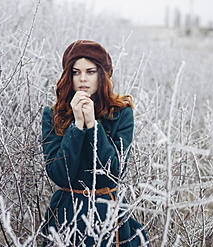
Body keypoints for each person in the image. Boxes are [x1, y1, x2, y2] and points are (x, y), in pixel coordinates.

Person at [41, 40, 147, 246]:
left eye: (90, 72)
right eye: (75, 72)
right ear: (68, 76)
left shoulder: (121, 113)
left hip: (107, 214)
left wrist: (93, 125)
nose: (82, 79)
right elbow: (60, 175)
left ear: (102, 75)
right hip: (67, 213)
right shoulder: (53, 115)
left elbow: (113, 172)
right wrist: (77, 125)